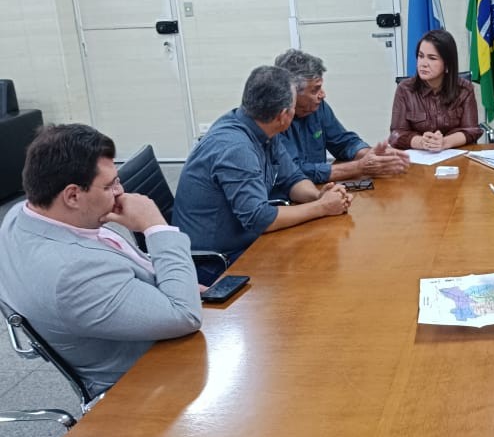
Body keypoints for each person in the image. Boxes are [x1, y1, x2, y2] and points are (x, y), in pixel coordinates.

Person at [0, 123, 202, 393]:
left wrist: (171, 282)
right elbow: (184, 315)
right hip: (144, 379)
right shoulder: (71, 274)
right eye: (110, 185)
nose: (121, 191)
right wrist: (156, 226)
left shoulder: (20, 215)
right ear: (72, 195)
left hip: (148, 319)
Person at [173, 66, 352, 271]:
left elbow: (291, 178)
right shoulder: (236, 148)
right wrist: (321, 208)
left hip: (246, 242)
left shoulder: (263, 127)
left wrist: (319, 196)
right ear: (284, 115)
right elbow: (259, 219)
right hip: (217, 262)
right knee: (314, 268)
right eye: (294, 107)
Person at [274, 48, 409, 181]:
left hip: (316, 190)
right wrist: (359, 167)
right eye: (315, 90)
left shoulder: (317, 107)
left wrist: (374, 156)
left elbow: (343, 142)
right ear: (292, 92)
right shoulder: (274, 119)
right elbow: (295, 171)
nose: (323, 95)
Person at [389, 29, 482, 151]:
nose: (423, 64)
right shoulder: (405, 89)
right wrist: (421, 142)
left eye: (432, 58)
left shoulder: (465, 89)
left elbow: (471, 131)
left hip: (455, 157)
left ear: (447, 64)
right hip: (418, 160)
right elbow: (396, 134)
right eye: (420, 56)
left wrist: (444, 142)